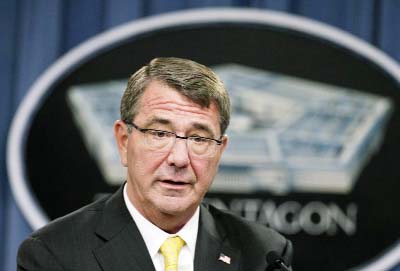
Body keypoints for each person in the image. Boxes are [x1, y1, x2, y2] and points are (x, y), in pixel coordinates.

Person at [17, 57, 293, 271]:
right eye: (160, 134)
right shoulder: (55, 253)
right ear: (124, 141)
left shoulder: (264, 254)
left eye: (199, 138)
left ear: (219, 151)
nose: (179, 159)